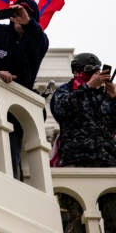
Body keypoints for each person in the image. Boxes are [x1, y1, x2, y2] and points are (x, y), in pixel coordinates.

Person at [0, 0, 49, 177]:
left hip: (14, 108)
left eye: (25, 13)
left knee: (8, 157)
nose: (19, 16)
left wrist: (27, 23)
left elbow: (39, 41)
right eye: (16, 12)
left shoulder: (38, 41)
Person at [50, 52, 116, 229]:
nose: (94, 74)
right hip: (75, 162)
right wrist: (87, 87)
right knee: (75, 220)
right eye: (89, 71)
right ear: (76, 71)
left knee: (114, 216)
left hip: (107, 161)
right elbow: (60, 109)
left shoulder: (104, 95)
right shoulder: (65, 91)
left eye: (97, 70)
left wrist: (114, 97)